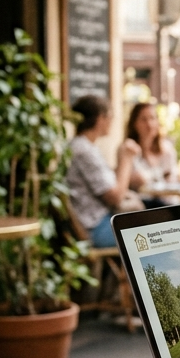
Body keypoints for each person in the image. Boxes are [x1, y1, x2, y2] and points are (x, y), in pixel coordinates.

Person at [67, 95, 141, 248]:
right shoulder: (84, 150)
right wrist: (126, 158)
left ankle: (120, 273)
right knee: (151, 234)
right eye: (110, 117)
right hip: (95, 229)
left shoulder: (82, 146)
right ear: (101, 119)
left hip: (97, 222)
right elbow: (115, 197)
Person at [124, 103, 179, 208]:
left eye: (152, 118)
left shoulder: (167, 151)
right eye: (143, 119)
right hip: (142, 208)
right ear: (134, 123)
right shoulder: (129, 150)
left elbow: (173, 182)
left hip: (168, 205)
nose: (149, 124)